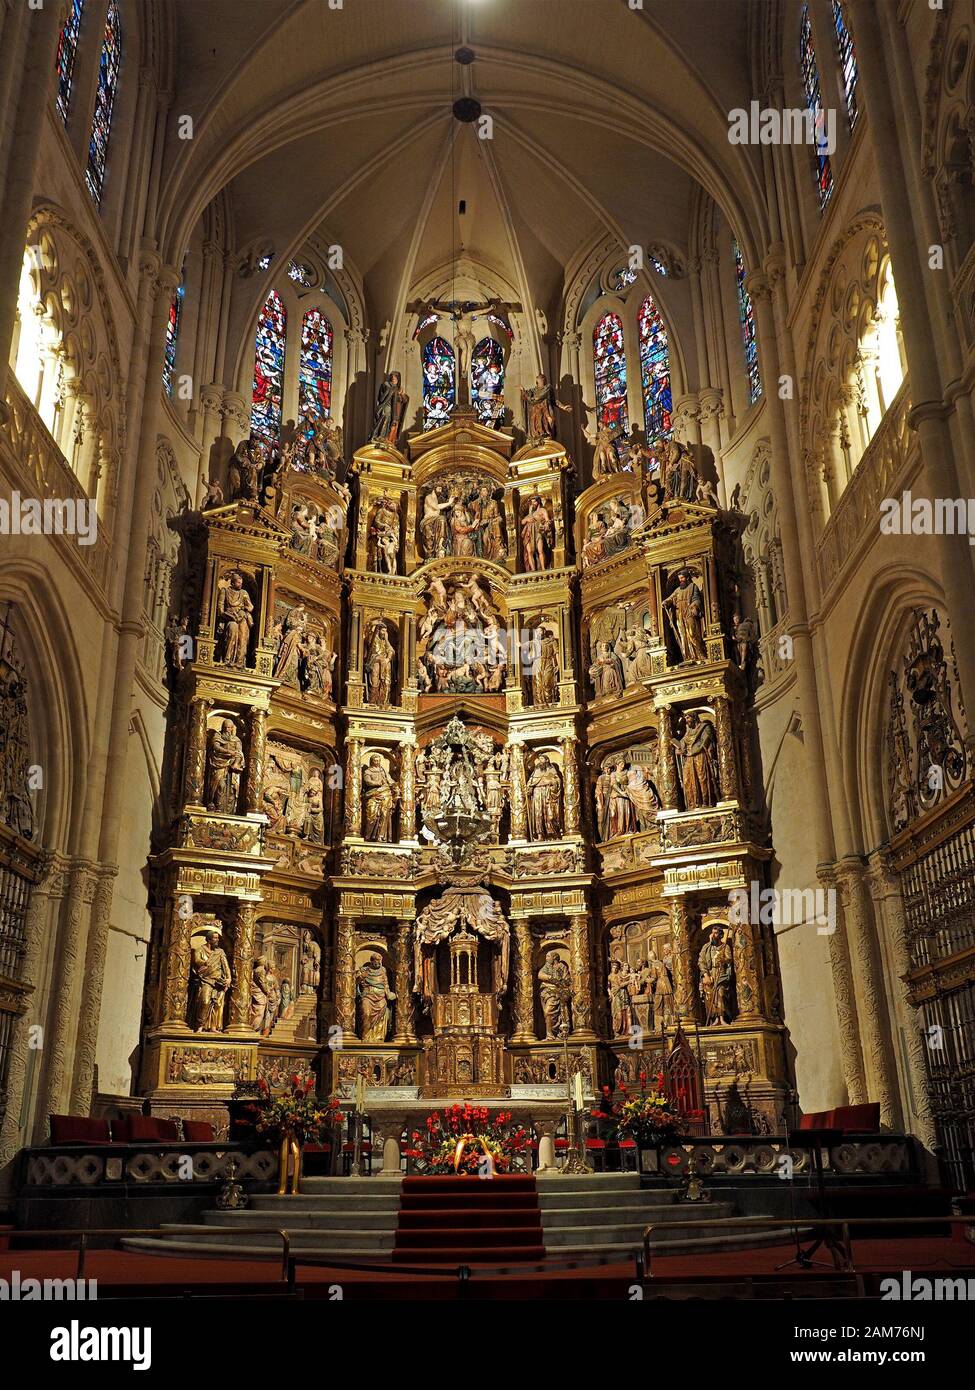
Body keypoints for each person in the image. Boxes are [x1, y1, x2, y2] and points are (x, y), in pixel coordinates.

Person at [189, 929, 232, 1031]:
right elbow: (197, 960)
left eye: (217, 938)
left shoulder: (220, 952)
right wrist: (207, 963)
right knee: (205, 1001)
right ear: (209, 939)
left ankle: (213, 1027)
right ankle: (199, 1025)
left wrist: (229, 978)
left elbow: (225, 966)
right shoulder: (200, 949)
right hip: (206, 980)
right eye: (215, 938)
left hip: (218, 981)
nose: (217, 940)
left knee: (217, 1004)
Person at [356, 953, 396, 1041]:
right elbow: (355, 982)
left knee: (382, 1014)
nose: (378, 962)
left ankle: (379, 1037)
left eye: (379, 960)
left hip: (381, 996)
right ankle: (365, 1035)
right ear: (372, 960)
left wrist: (388, 993)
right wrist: (361, 976)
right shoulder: (364, 970)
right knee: (366, 1013)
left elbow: (385, 984)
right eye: (376, 960)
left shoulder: (383, 970)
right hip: (368, 995)